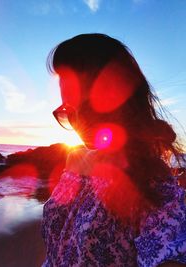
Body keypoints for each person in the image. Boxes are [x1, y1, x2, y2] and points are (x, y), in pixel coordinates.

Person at [41, 34, 186, 267]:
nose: (78, 123)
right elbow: (58, 247)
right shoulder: (74, 160)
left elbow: (168, 254)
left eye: (86, 106)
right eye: (68, 110)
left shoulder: (151, 180)